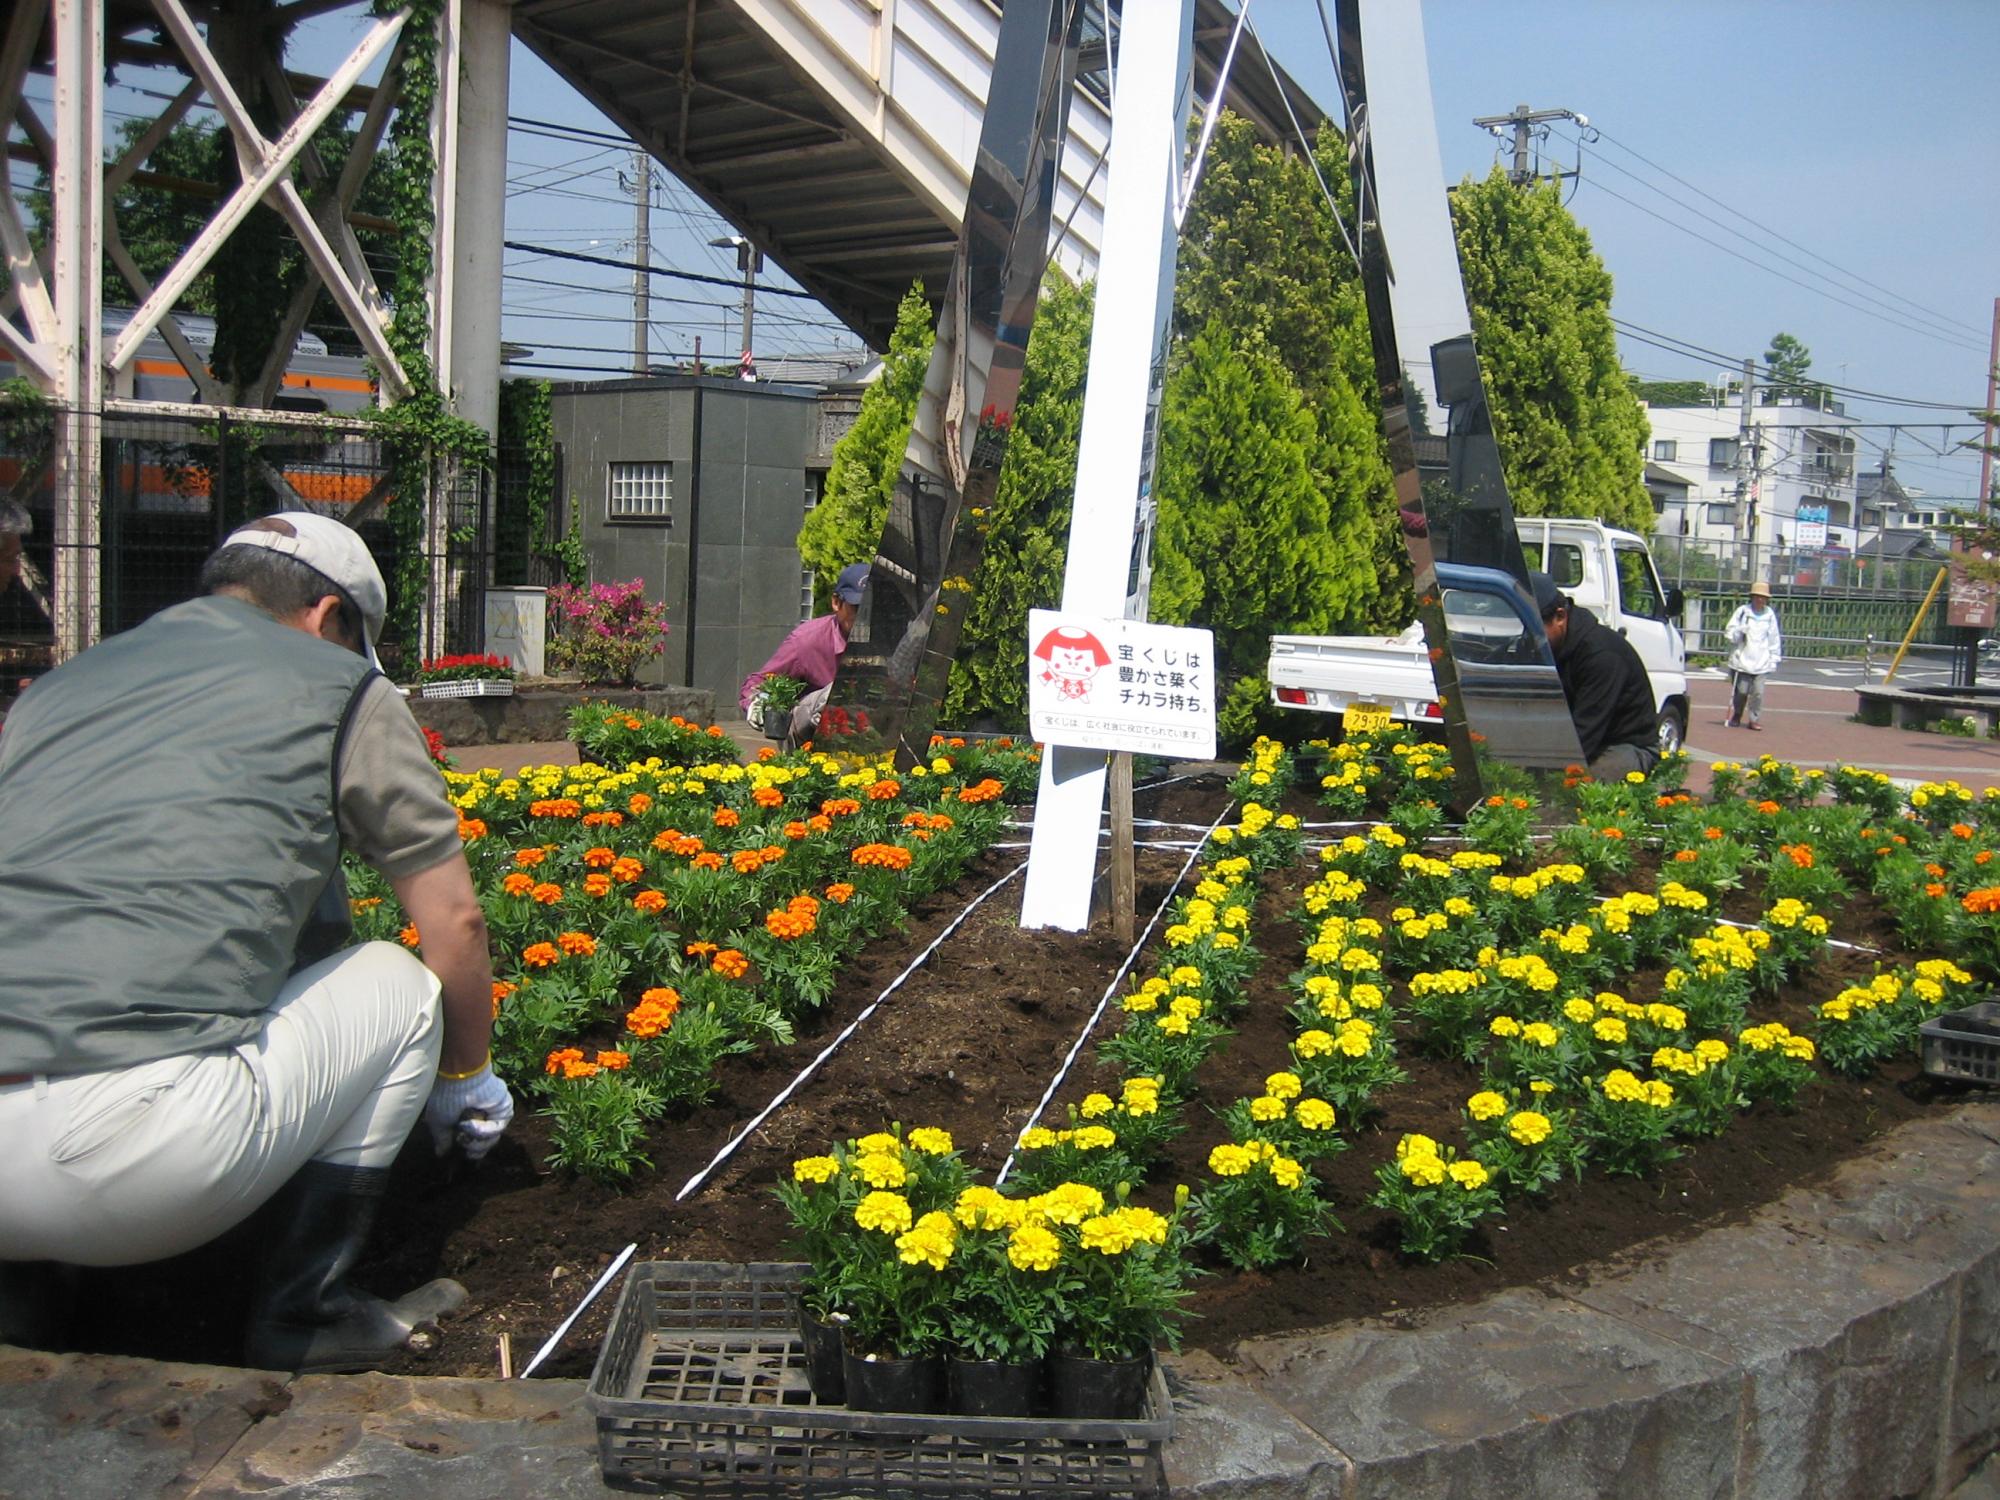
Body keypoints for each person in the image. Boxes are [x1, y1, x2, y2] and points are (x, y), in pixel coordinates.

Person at [0, 512, 514, 1372]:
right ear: (327, 618)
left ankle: (23, 1303)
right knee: (400, 984)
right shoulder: (339, 686)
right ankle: (306, 1314)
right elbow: (453, 919)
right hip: (122, 1173)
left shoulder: (59, 687)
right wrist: (466, 1076)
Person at [1531, 569, 1659, 778]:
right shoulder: (1548, 647)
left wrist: (1543, 772)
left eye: (1535, 630)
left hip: (1625, 746)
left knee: (1577, 786)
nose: (1530, 638)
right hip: (1579, 739)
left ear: (1560, 616)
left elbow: (1585, 733)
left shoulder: (1601, 655)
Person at [740, 561, 870, 742]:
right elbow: (760, 681)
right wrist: (757, 700)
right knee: (831, 694)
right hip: (807, 737)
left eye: (870, 607)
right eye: (856, 607)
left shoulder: (888, 638)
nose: (864, 617)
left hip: (864, 736)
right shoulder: (806, 641)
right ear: (836, 603)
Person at [1725, 581, 1783, 731]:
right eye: (1757, 597)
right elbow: (1730, 634)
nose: (1760, 600)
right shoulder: (1743, 612)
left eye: (1763, 597)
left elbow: (1773, 638)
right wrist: (1739, 631)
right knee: (1742, 691)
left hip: (1761, 660)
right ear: (1752, 597)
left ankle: (1754, 719)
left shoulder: (1769, 615)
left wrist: (1774, 658)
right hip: (1743, 659)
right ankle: (1737, 714)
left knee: (1758, 693)